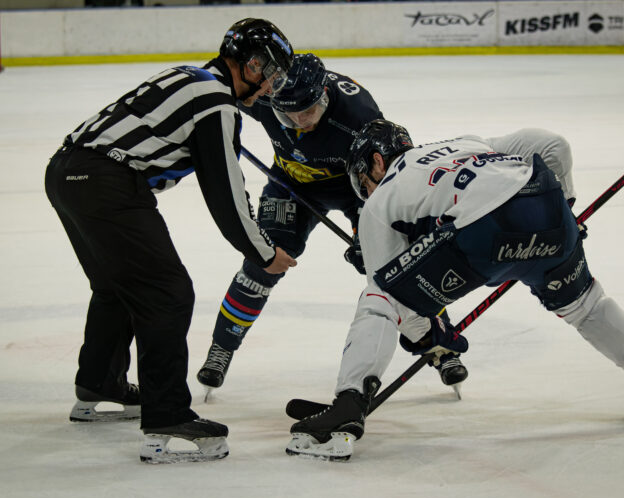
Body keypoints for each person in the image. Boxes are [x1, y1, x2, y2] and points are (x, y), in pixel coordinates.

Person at [286, 120, 624, 461]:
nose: (367, 193)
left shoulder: (381, 201)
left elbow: (396, 304)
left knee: (378, 300)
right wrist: (565, 208)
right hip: (547, 207)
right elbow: (553, 146)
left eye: (363, 181)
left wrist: (433, 338)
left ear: (376, 161)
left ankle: (348, 406)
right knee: (585, 304)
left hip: (484, 234)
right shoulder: (464, 143)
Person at [45, 18, 296, 464]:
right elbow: (225, 192)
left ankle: (100, 383)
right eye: (271, 74)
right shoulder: (216, 103)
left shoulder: (189, 78)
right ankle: (167, 417)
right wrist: (262, 252)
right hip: (107, 183)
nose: (268, 89)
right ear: (252, 65)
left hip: (66, 172)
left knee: (116, 286)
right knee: (167, 293)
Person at [195, 53, 470, 396]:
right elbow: (211, 85)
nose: (300, 123)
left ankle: (441, 346)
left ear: (324, 94)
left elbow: (389, 177)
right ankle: (222, 346)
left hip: (358, 190)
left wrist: (372, 230)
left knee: (398, 264)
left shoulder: (358, 116)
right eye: (288, 115)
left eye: (308, 112)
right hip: (290, 186)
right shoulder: (266, 92)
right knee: (262, 262)